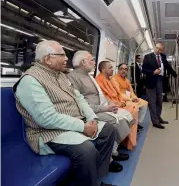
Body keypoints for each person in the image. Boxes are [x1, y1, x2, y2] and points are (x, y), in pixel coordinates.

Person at [13, 40, 117, 186]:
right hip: (48, 133)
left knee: (108, 130)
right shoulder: (30, 81)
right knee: (87, 150)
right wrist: (83, 127)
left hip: (73, 123)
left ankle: (95, 179)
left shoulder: (61, 76)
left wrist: (92, 118)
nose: (66, 58)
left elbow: (79, 98)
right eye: (61, 55)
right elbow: (46, 119)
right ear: (47, 59)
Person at [67, 51, 133, 164]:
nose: (94, 62)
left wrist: (110, 104)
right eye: (92, 60)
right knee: (117, 121)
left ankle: (113, 149)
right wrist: (105, 109)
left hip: (103, 107)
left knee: (128, 116)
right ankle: (111, 156)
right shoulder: (72, 78)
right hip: (91, 111)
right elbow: (79, 104)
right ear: (83, 62)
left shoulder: (89, 76)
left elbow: (100, 94)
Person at [95, 61, 139, 150]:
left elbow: (120, 93)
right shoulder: (100, 81)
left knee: (135, 109)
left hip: (119, 102)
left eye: (126, 69)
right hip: (111, 106)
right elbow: (105, 98)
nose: (112, 70)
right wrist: (120, 103)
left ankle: (126, 140)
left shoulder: (110, 79)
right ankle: (116, 147)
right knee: (130, 112)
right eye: (110, 68)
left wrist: (125, 101)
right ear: (103, 69)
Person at [142, 42, 177, 129]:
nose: (158, 50)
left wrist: (175, 75)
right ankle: (155, 121)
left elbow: (168, 66)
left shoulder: (163, 56)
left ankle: (158, 117)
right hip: (151, 81)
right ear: (155, 47)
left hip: (160, 81)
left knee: (159, 101)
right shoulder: (148, 57)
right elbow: (143, 70)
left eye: (160, 49)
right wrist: (153, 72)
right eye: (157, 48)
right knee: (153, 102)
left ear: (162, 50)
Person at [111, 63, 148, 132]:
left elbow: (131, 91)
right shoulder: (114, 79)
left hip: (128, 99)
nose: (123, 71)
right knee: (135, 106)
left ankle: (137, 123)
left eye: (125, 69)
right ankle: (133, 124)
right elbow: (119, 93)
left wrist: (135, 98)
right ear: (118, 70)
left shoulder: (126, 80)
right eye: (121, 69)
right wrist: (131, 99)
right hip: (120, 99)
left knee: (144, 103)